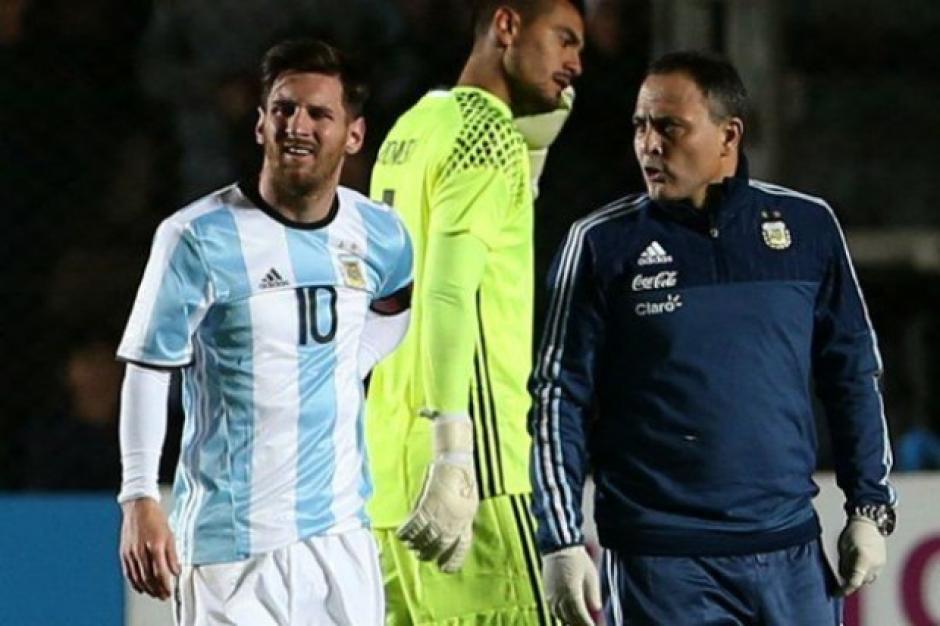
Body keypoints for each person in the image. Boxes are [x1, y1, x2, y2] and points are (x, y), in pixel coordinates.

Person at [529, 51, 896, 626]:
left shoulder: (807, 228)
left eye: (668, 126)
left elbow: (852, 372)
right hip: (661, 564)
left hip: (790, 553)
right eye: (640, 126)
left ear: (729, 135)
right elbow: (558, 398)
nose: (649, 144)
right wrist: (560, 539)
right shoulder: (601, 244)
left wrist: (869, 507)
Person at [116, 39, 413, 626]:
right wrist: (140, 496)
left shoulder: (380, 233)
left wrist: (348, 366)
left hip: (340, 539)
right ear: (260, 125)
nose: (296, 125)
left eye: (318, 113)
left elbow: (397, 304)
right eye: (282, 109)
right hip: (232, 547)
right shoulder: (196, 237)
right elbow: (149, 369)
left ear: (353, 135)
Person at [363, 1, 584, 623]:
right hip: (472, 470)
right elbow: (449, 291)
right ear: (508, 26)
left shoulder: (411, 127)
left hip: (389, 473)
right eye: (564, 40)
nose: (575, 63)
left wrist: (530, 160)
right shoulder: (488, 135)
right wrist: (455, 449)